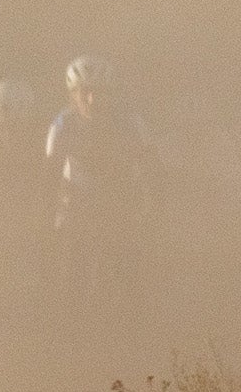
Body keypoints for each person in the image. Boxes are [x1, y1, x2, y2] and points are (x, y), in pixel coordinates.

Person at [45, 55, 160, 286]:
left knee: (131, 275)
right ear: (72, 94)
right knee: (68, 272)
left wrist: (148, 207)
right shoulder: (62, 125)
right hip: (77, 204)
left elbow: (152, 168)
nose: (92, 99)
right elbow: (47, 175)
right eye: (84, 92)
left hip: (120, 201)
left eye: (99, 92)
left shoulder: (131, 123)